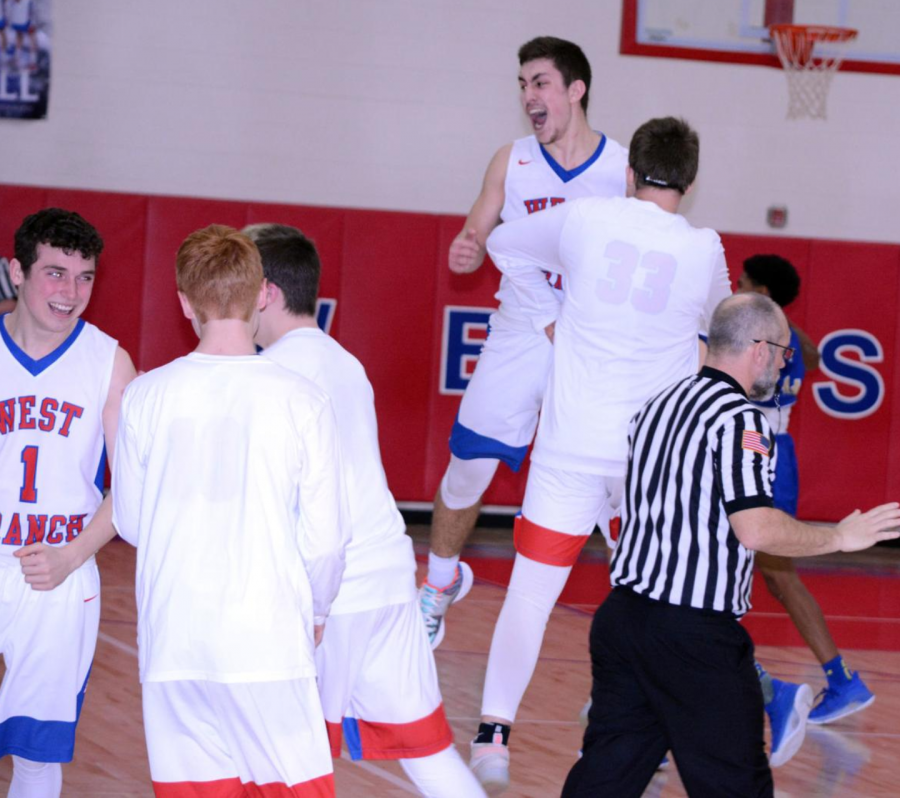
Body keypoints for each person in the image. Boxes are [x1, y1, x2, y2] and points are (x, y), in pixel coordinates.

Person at [467, 116, 731, 790]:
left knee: (532, 590)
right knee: (651, 599)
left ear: (629, 171)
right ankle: (652, 729)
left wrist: (542, 314)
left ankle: (493, 735)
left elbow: (501, 243)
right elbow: (723, 341)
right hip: (649, 459)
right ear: (691, 182)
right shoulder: (704, 248)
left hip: (572, 443)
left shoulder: (584, 218)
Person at [562, 293, 900, 797]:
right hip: (693, 636)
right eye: (785, 352)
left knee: (605, 778)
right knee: (735, 785)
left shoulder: (657, 406)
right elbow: (756, 529)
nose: (787, 364)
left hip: (622, 620)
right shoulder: (743, 421)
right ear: (759, 349)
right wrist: (840, 537)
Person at [246, 222, 487, 798]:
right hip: (388, 581)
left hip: (331, 592)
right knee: (429, 755)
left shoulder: (274, 374)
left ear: (265, 293)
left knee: (284, 766)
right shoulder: (344, 361)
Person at [111, 225, 346, 796]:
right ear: (262, 293)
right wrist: (315, 612)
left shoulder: (145, 394)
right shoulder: (303, 399)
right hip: (267, 644)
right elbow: (326, 541)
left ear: (185, 302)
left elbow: (132, 522)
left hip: (174, 645)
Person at [419, 36, 629, 648]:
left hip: (593, 340)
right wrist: (467, 247)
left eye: (539, 82)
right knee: (470, 464)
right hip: (523, 329)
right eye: (522, 85)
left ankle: (644, 626)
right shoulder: (510, 161)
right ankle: (438, 583)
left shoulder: (621, 168)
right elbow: (476, 232)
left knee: (619, 490)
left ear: (575, 89)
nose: (528, 96)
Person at [0, 208, 135, 797]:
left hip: (55, 573)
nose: (71, 292)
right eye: (55, 273)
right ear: (16, 272)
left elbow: (132, 485)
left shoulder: (109, 361)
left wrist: (73, 554)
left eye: (85, 277)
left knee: (35, 752)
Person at [738, 255, 875, 724]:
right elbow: (814, 357)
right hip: (778, 449)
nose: (736, 286)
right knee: (774, 576)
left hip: (760, 449)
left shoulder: (758, 340)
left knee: (767, 573)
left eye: (743, 283)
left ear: (760, 291)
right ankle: (838, 680)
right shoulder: (790, 336)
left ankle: (818, 681)